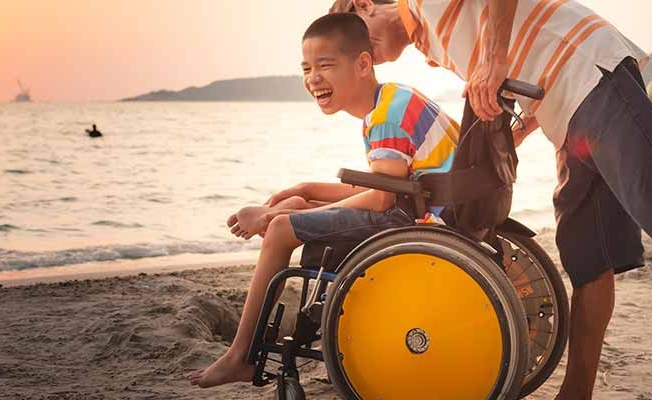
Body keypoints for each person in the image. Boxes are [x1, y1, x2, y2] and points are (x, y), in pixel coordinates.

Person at [328, 1, 652, 398]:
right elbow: (520, 70)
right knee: (589, 258)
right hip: (566, 110)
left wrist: (493, 57)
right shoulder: (432, 46)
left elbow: (501, 52)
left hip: (588, 74)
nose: (370, 59)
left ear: (365, 5)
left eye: (360, 40)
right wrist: (521, 125)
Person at [187, 13, 461, 388]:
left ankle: (241, 356)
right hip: (422, 207)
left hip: (420, 224)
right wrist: (307, 191)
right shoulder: (393, 100)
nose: (313, 78)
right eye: (307, 68)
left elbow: (381, 199)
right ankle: (244, 346)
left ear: (363, 64)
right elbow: (389, 187)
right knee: (298, 207)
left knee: (283, 228)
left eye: (326, 65)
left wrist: (270, 215)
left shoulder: (386, 116)